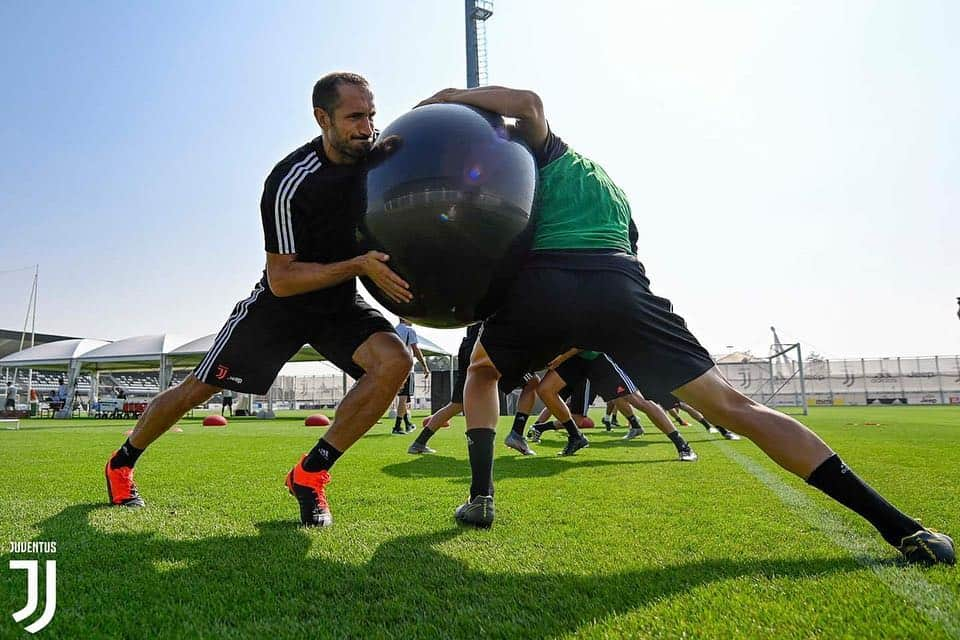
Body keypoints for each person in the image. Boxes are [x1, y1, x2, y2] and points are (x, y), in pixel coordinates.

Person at [415, 85, 955, 565]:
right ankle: (902, 528)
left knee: (481, 373)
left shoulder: (548, 153)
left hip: (548, 284)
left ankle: (482, 494)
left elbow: (527, 104)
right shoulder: (611, 190)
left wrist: (444, 99)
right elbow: (630, 250)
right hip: (621, 287)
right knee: (737, 409)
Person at [104, 72, 414, 529]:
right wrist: (359, 266)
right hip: (281, 306)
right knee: (199, 389)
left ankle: (310, 475)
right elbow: (283, 278)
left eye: (371, 115)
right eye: (354, 117)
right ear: (322, 118)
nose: (366, 127)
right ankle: (123, 461)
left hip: (337, 304)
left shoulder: (376, 158)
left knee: (395, 362)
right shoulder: (290, 182)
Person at [409, 323, 539, 456]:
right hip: (489, 347)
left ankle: (419, 442)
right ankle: (516, 434)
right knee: (532, 382)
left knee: (457, 404)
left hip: (470, 345)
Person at [392, 318, 429, 435]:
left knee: (404, 397)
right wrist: (425, 366)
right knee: (404, 397)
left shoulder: (393, 330)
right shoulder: (409, 330)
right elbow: (416, 349)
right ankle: (397, 427)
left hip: (395, 366)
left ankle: (408, 424)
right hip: (406, 366)